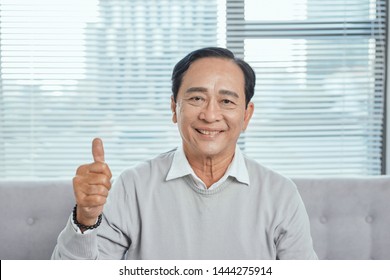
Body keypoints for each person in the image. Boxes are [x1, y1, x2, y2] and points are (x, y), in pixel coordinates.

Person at [52, 47, 318, 260]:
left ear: (246, 115)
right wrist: (85, 220)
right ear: (174, 108)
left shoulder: (281, 194)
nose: (210, 115)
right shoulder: (132, 186)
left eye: (226, 101)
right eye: (196, 99)